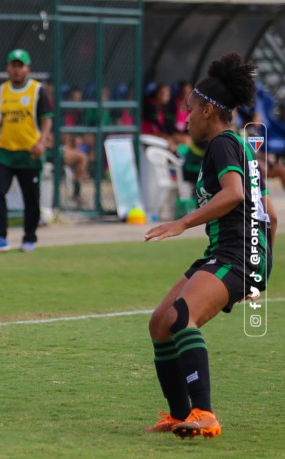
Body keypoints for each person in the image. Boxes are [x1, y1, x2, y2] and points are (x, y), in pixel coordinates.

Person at [143, 52, 277, 439]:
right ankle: (179, 415)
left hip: (234, 253)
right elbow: (271, 215)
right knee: (160, 323)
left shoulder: (222, 145)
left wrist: (182, 223)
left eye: (189, 110)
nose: (185, 119)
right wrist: (260, 270)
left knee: (183, 316)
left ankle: (205, 413)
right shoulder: (240, 147)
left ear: (206, 110)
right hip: (233, 254)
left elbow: (234, 195)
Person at [0, 49, 53, 252]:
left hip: (29, 153)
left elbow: (47, 119)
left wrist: (41, 142)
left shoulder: (37, 90)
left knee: (31, 198)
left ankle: (29, 238)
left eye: (20, 66)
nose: (16, 70)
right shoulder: (1, 90)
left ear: (27, 69)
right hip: (5, 152)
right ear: (7, 68)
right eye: (13, 65)